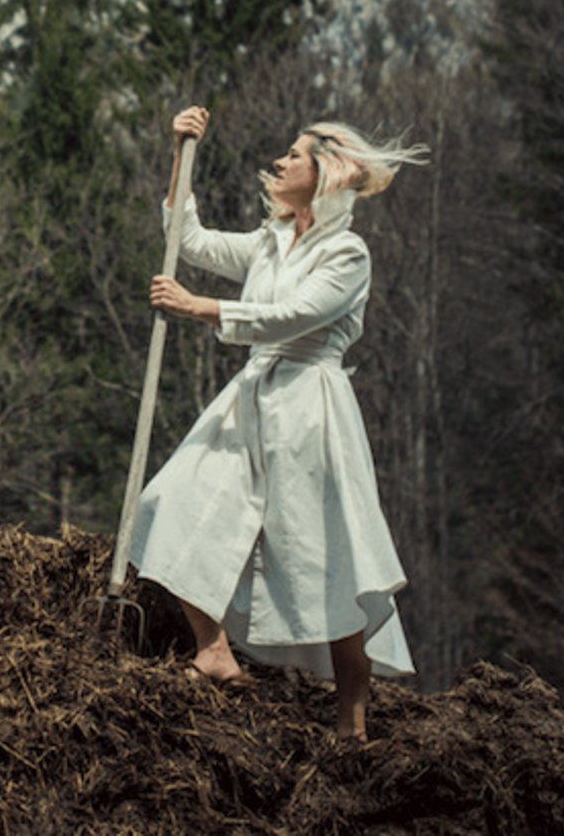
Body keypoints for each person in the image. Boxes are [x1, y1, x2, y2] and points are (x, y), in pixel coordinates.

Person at [129, 104, 427, 743]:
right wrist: (181, 153)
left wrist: (202, 308)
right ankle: (213, 650)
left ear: (324, 174)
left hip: (309, 409)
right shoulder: (269, 241)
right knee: (168, 498)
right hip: (253, 398)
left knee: (325, 554)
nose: (281, 161)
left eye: (295, 154)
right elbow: (190, 241)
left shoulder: (347, 253)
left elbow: (297, 315)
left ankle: (351, 714)